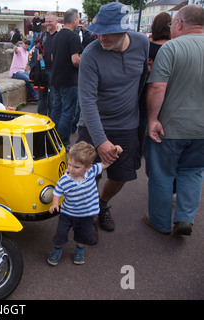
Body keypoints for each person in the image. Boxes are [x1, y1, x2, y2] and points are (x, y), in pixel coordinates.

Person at [77, 2, 149, 234]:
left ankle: (101, 205)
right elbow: (86, 101)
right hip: (93, 125)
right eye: (99, 30)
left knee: (121, 176)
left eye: (108, 32)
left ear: (125, 29)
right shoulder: (90, 53)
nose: (101, 36)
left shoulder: (142, 43)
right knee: (88, 177)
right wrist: (101, 141)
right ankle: (87, 213)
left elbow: (141, 84)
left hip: (127, 125)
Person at [143, 5, 204, 236]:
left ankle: (160, 221)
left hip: (171, 125)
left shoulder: (172, 48)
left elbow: (158, 86)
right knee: (194, 171)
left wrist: (152, 120)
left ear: (179, 23)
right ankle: (185, 218)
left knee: (162, 173)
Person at [48, 141, 122, 265]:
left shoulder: (92, 171)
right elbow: (57, 192)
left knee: (83, 234)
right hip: (68, 213)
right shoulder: (65, 180)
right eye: (69, 164)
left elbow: (106, 163)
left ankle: (79, 249)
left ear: (88, 167)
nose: (71, 169)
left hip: (87, 214)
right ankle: (57, 249)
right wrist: (55, 204)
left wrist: (116, 150)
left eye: (76, 167)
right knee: (60, 233)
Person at [138, 12, 171, 154]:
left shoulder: (147, 47)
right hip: (167, 90)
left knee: (144, 117)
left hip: (146, 87)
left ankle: (140, 148)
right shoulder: (172, 48)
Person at [50, 8, 83, 147]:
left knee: (56, 110)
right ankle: (62, 142)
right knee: (68, 112)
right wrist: (86, 66)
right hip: (69, 80)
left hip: (55, 79)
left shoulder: (57, 36)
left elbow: (52, 57)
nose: (79, 22)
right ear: (74, 20)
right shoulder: (73, 36)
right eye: (79, 19)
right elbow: (75, 60)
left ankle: (52, 139)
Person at [36, 12, 58, 118]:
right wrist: (39, 55)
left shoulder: (59, 35)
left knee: (53, 97)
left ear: (56, 22)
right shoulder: (44, 35)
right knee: (42, 96)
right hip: (43, 69)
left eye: (50, 21)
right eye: (46, 21)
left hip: (55, 70)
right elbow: (40, 48)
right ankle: (41, 118)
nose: (47, 24)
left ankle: (52, 120)